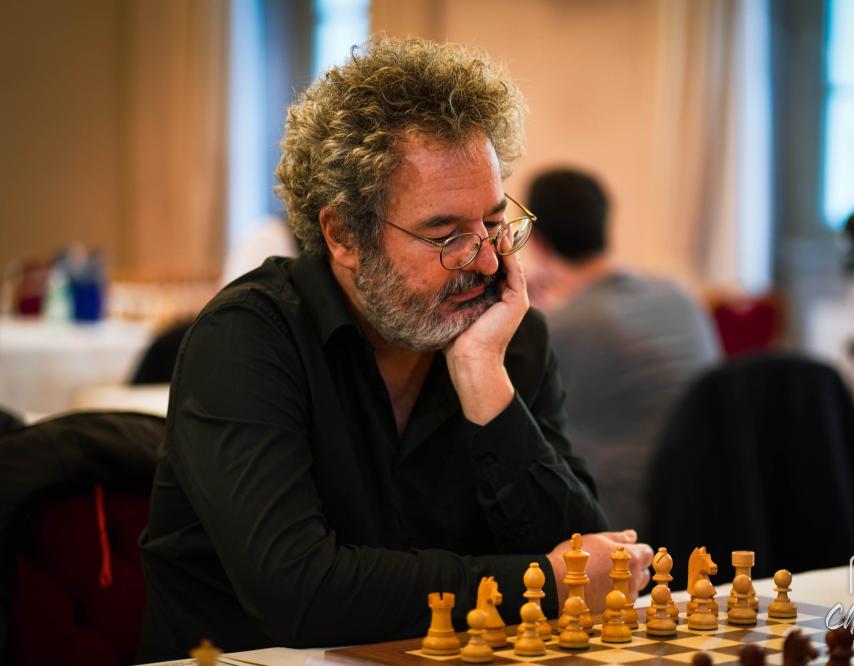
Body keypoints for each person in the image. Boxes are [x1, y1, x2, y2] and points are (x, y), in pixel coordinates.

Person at [137, 38, 652, 660]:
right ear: (343, 235)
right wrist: (537, 584)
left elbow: (591, 567)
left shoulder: (504, 337)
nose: (488, 262)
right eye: (447, 235)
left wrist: (484, 381)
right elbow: (298, 593)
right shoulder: (246, 339)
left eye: (493, 223)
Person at [525, 168, 722, 533]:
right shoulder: (681, 297)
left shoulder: (563, 327)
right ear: (605, 221)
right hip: (706, 510)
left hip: (621, 526)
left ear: (537, 241)